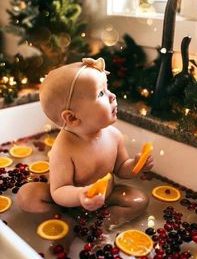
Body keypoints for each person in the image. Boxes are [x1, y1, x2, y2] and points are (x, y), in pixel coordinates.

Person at [16, 57, 154, 229]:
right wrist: (81, 195)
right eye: (101, 93)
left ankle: (100, 226)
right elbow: (59, 191)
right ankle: (64, 224)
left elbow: (121, 169)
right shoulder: (64, 147)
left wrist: (135, 165)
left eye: (107, 88)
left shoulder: (114, 135)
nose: (113, 96)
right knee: (27, 196)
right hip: (67, 201)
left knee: (139, 200)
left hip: (105, 196)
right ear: (72, 117)